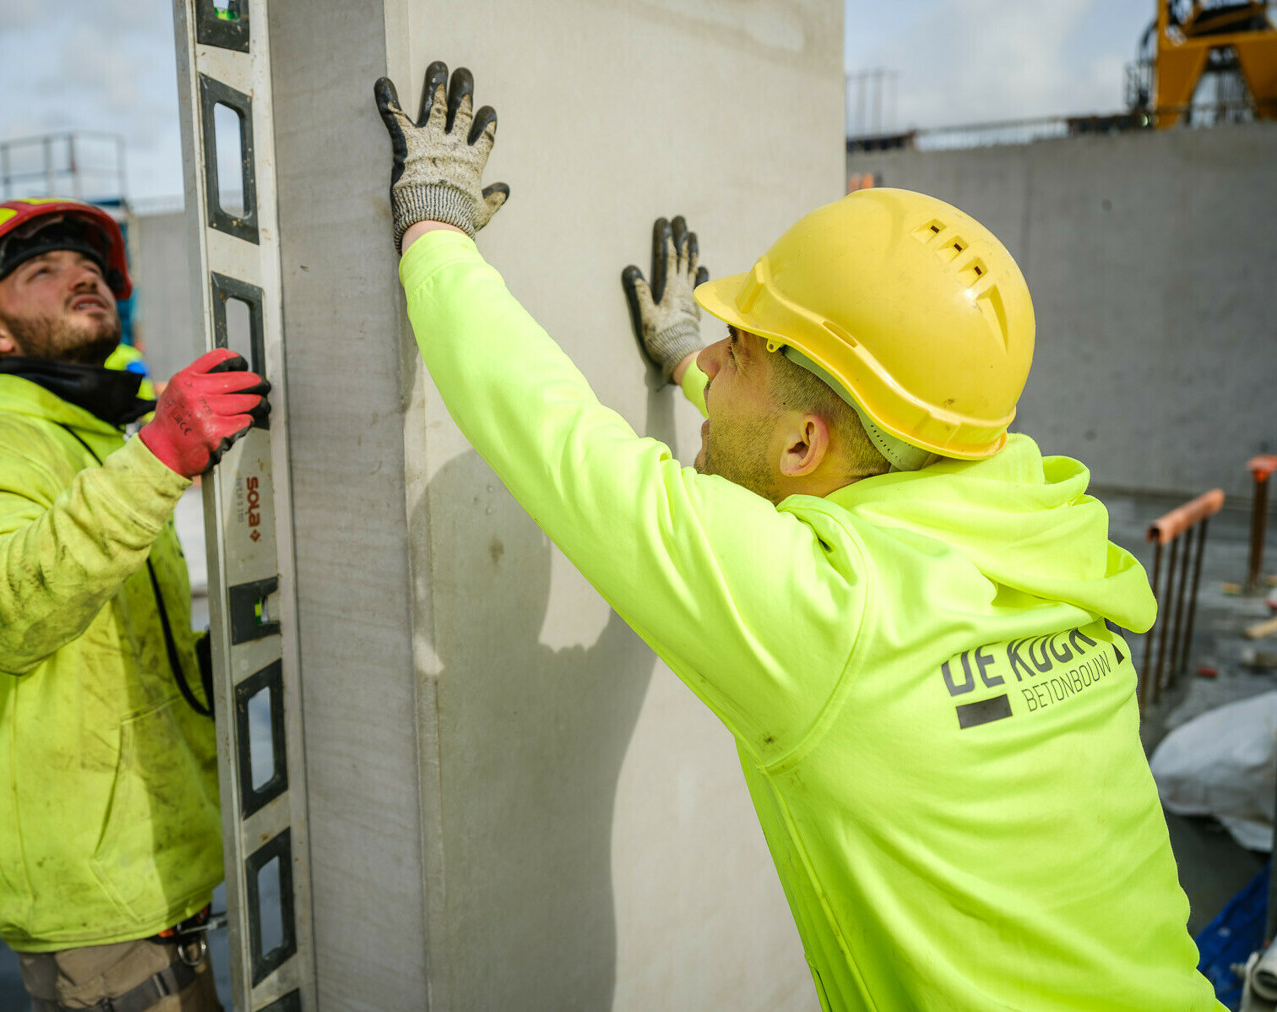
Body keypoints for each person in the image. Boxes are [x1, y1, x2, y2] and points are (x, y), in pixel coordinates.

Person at [373, 63, 1218, 1009]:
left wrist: (435, 231)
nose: (715, 362)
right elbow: (827, 439)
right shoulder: (1040, 527)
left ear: (806, 439)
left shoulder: (824, 616)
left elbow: (561, 441)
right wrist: (701, 365)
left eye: (737, 353)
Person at [0, 198, 268, 1011]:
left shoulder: (91, 440)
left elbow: (115, 645)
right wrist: (160, 456)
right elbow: (1, 614)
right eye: (42, 271)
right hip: (96, 898)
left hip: (146, 865)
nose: (83, 277)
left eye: (92, 268)